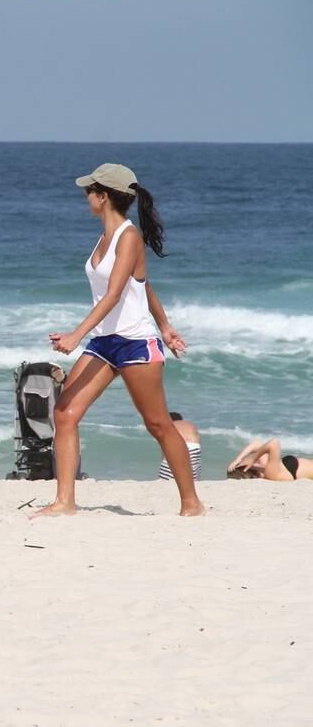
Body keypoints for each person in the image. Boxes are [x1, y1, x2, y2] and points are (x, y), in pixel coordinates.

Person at [36, 163, 205, 517]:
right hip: (104, 343)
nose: (85, 197)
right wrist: (166, 323)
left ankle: (191, 503)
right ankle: (65, 502)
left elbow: (115, 295)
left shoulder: (128, 236)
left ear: (103, 196)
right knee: (65, 413)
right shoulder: (105, 237)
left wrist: (76, 335)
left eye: (89, 191)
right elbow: (141, 285)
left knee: (158, 423)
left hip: (134, 344)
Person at [227, 439, 313, 480]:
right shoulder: (271, 474)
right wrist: (253, 458)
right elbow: (274, 443)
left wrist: (237, 459)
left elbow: (257, 444)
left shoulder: (267, 468)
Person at [157, 412, 201, 481]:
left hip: (176, 451)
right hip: (194, 451)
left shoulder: (169, 427)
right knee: (193, 473)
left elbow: (164, 453)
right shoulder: (190, 425)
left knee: (165, 479)